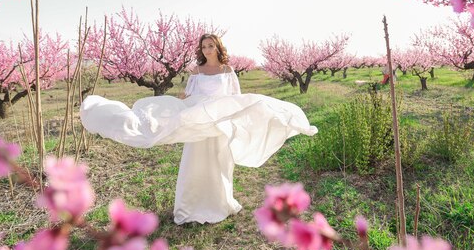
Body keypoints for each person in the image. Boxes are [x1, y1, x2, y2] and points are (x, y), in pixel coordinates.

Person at [80, 33, 317, 225]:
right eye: (204, 46)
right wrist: (181, 100)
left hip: (218, 123)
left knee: (219, 163)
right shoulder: (196, 71)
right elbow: (190, 94)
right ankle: (190, 207)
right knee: (194, 162)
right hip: (198, 122)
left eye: (211, 46)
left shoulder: (228, 71)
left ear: (218, 47)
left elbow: (235, 97)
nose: (207, 50)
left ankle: (220, 204)